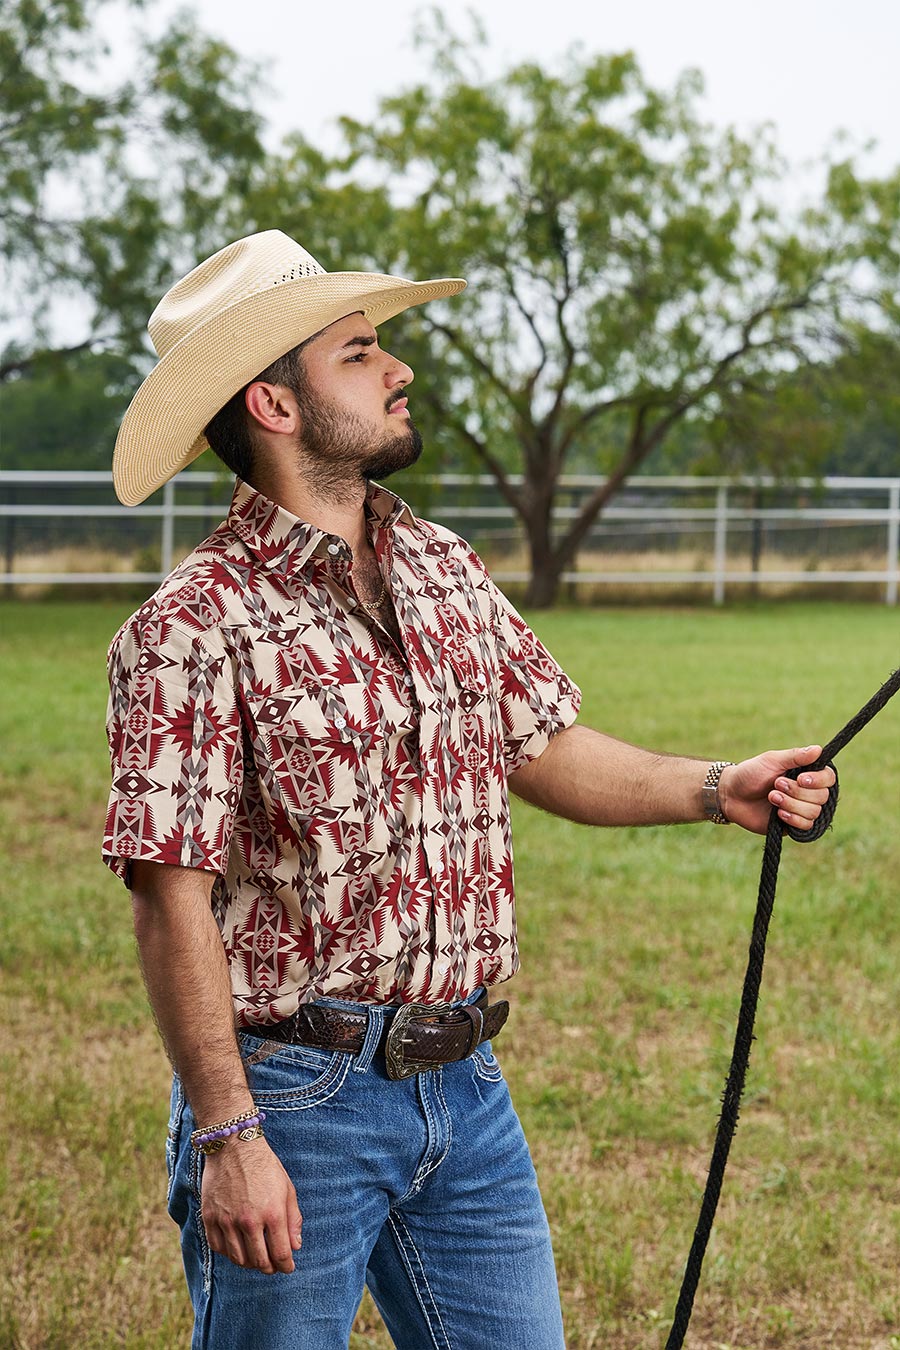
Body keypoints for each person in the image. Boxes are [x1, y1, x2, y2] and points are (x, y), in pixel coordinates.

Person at [102, 229, 835, 1350]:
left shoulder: (443, 568)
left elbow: (540, 744)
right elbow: (171, 900)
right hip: (294, 1102)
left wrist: (718, 786)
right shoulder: (190, 627)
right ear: (277, 405)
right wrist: (227, 1133)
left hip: (467, 1090)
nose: (397, 369)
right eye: (359, 353)